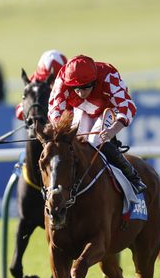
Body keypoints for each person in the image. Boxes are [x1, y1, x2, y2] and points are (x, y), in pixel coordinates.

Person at [48, 55, 147, 193]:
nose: (80, 92)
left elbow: (128, 105)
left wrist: (113, 130)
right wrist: (61, 133)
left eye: (84, 87)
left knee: (96, 141)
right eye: (76, 88)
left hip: (108, 109)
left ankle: (132, 176)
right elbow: (54, 109)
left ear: (94, 82)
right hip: (82, 109)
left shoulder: (108, 75)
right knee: (75, 144)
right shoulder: (63, 78)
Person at [14, 50, 67, 121]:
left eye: (54, 80)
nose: (52, 85)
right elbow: (19, 112)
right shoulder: (35, 84)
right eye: (47, 81)